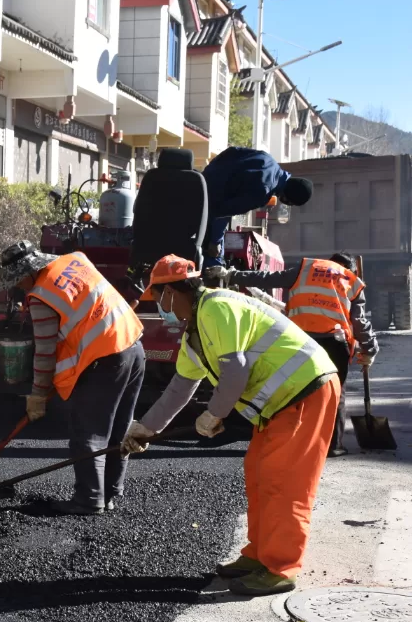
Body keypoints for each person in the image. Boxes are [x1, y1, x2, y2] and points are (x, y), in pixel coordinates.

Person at [121, 255, 339, 596]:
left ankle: (280, 568)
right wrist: (145, 428)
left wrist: (214, 414)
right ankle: (259, 555)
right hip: (280, 403)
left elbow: (235, 370)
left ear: (171, 293)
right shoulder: (195, 332)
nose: (158, 306)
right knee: (259, 474)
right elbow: (180, 387)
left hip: (305, 391)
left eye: (158, 297)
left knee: (284, 483)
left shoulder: (216, 308)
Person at [0, 241, 145, 515]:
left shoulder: (41, 296)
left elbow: (45, 353)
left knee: (87, 433)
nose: (20, 287)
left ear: (28, 272)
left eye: (18, 280)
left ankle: (89, 500)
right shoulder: (75, 260)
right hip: (134, 346)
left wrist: (38, 395)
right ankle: (110, 492)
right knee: (119, 429)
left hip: (105, 359)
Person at [206, 253, 377, 457]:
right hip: (334, 343)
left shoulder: (306, 270)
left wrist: (231, 275)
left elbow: (266, 278)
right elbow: (359, 322)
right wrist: (370, 349)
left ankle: (291, 441)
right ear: (350, 269)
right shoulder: (352, 280)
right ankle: (332, 446)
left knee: (294, 391)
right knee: (335, 394)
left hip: (301, 342)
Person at [201, 147, 314, 267]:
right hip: (205, 202)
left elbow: (232, 151)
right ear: (288, 199)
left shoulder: (268, 159)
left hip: (201, 179)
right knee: (215, 260)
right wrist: (215, 242)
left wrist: (209, 173)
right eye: (290, 203)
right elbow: (222, 212)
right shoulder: (262, 193)